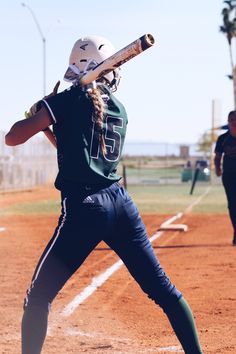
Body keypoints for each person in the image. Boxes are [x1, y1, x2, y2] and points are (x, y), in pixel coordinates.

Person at [5, 35, 204, 354]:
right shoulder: (119, 109)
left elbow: (12, 137)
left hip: (84, 208)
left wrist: (41, 109)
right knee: (164, 292)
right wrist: (47, 125)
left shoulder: (68, 100)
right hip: (121, 204)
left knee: (38, 297)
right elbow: (75, 151)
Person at [214, 110, 236, 246]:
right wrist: (218, 169)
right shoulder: (223, 139)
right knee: (233, 205)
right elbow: (217, 157)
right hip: (229, 176)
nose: (234, 122)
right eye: (232, 120)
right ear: (228, 122)